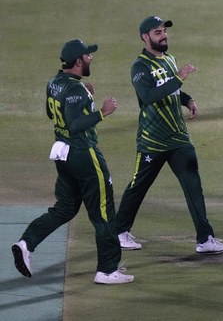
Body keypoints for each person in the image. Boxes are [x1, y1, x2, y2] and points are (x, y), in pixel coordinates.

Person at [12, 40, 133, 284]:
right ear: (78, 61)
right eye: (88, 56)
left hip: (63, 155)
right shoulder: (75, 89)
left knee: (66, 207)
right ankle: (107, 270)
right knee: (103, 212)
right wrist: (102, 112)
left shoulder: (54, 82)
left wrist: (84, 98)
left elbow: (52, 113)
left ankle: (26, 243)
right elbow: (74, 124)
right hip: (84, 154)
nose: (91, 58)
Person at [115, 16, 223, 255]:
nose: (164, 35)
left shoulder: (169, 59)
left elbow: (172, 89)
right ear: (145, 37)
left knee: (194, 187)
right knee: (138, 186)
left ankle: (205, 239)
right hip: (153, 140)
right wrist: (179, 78)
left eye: (164, 31)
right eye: (157, 32)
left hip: (178, 138)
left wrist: (187, 99)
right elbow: (148, 96)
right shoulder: (140, 66)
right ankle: (118, 232)